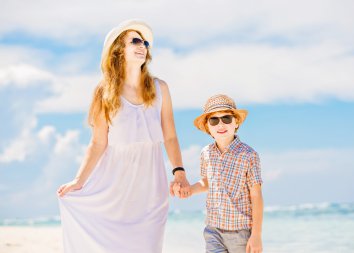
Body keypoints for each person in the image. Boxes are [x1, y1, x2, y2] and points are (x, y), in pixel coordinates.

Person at [57, 19, 190, 253]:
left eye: (145, 42)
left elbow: (170, 136)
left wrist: (179, 172)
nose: (143, 46)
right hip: (114, 185)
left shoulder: (161, 88)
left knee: (149, 246)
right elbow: (98, 143)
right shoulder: (104, 92)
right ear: (119, 50)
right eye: (135, 41)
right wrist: (79, 181)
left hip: (151, 184)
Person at [175, 94, 263, 253]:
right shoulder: (206, 153)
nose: (220, 124)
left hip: (240, 232)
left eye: (226, 119)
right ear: (208, 127)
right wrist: (190, 190)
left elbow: (256, 195)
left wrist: (256, 234)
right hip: (213, 230)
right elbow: (207, 182)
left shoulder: (249, 155)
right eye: (214, 120)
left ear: (236, 122)